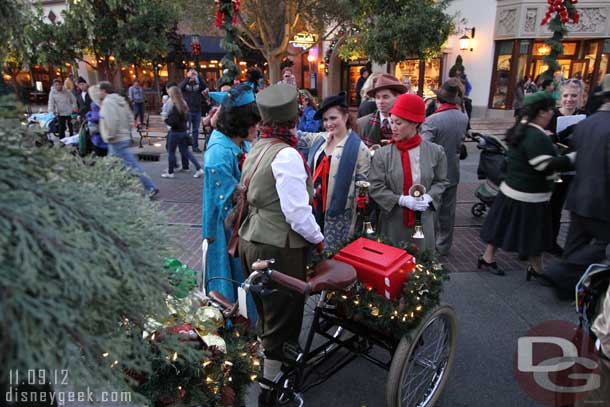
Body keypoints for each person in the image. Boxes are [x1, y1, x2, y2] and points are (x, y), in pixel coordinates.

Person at [237, 84, 324, 406]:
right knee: (283, 320)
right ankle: (271, 392)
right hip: (278, 247)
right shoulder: (287, 153)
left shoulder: (259, 146)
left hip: (250, 239)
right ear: (293, 118)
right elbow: (297, 213)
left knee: (266, 315)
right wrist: (318, 238)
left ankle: (269, 371)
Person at [479, 92, 575, 279]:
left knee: (500, 228)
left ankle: (488, 258)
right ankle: (536, 269)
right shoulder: (535, 136)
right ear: (541, 113)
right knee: (535, 236)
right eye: (549, 110)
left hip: (513, 191)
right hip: (530, 195)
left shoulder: (522, 128)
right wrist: (571, 158)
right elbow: (543, 164)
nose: (551, 114)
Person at [548, 75, 610, 297]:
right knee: (602, 243)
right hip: (601, 200)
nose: (570, 99)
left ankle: (566, 286)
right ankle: (560, 272)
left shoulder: (585, 124)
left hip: (579, 195)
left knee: (575, 243)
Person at [202, 84, 259, 321]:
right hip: (226, 230)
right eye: (253, 124)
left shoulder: (238, 141)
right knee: (229, 279)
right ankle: (232, 327)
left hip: (241, 226)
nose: (257, 128)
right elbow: (230, 204)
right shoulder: (218, 153)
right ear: (239, 122)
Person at [368, 93, 449, 252]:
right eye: (392, 122)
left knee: (421, 267)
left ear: (415, 124)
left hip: (423, 222)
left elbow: (441, 182)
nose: (393, 127)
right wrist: (401, 200)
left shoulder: (436, 152)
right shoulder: (383, 154)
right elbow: (375, 186)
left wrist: (430, 196)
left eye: (399, 123)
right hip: (392, 222)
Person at [297, 92, 371, 250]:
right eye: (325, 119)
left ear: (345, 117)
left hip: (339, 214)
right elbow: (297, 137)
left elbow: (362, 187)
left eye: (333, 118)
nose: (328, 124)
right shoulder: (321, 138)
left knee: (333, 256)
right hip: (314, 207)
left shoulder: (360, 148)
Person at [421, 78, 469, 256]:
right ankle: (444, 245)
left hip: (434, 174)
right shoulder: (463, 117)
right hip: (453, 171)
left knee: (432, 211)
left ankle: (430, 245)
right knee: (448, 212)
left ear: (438, 100)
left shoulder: (432, 120)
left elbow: (425, 147)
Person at [545, 79, 587, 256]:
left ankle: (551, 242)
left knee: (557, 206)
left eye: (574, 96)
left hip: (570, 169)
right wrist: (564, 133)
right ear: (560, 97)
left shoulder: (585, 116)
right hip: (553, 168)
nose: (569, 99)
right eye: (566, 95)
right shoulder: (551, 115)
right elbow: (545, 140)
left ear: (581, 97)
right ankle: (533, 243)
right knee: (544, 205)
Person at [97, 81, 159, 197]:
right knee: (113, 165)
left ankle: (150, 187)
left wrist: (109, 135)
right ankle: (110, 188)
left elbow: (111, 121)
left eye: (99, 90)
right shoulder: (120, 100)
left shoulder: (108, 102)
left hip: (115, 139)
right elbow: (131, 118)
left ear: (104, 91)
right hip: (122, 136)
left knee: (129, 165)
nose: (97, 93)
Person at [161, 87, 203, 179]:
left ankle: (170, 172)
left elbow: (173, 122)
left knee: (171, 152)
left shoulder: (175, 106)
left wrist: (165, 120)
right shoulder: (183, 104)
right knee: (186, 151)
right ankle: (199, 168)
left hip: (175, 132)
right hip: (183, 131)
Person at [357, 74, 407, 148]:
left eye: (385, 97)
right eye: (377, 97)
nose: (380, 101)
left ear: (397, 97)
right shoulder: (361, 124)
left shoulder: (408, 124)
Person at [180, 69, 208, 153]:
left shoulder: (198, 85)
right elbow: (180, 87)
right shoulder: (185, 84)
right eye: (191, 75)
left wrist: (198, 76)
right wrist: (188, 78)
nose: (192, 77)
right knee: (187, 129)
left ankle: (195, 146)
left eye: (193, 75)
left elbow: (204, 86)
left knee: (195, 130)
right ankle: (184, 146)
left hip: (197, 110)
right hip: (188, 110)